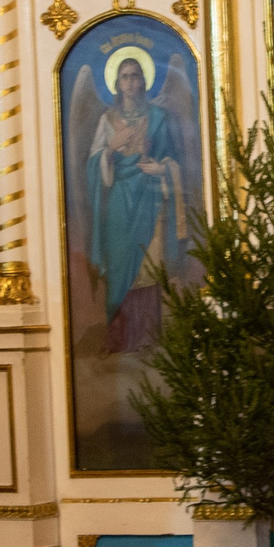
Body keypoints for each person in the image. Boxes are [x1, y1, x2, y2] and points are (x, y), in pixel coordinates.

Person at [85, 53, 184, 355]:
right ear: (117, 83)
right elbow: (93, 167)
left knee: (148, 266)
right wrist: (110, 150)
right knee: (118, 266)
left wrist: (162, 168)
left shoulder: (158, 118)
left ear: (144, 81)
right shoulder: (106, 121)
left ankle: (147, 337)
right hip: (118, 202)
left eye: (135, 76)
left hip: (149, 199)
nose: (130, 82)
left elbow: (174, 159)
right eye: (125, 77)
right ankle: (117, 339)